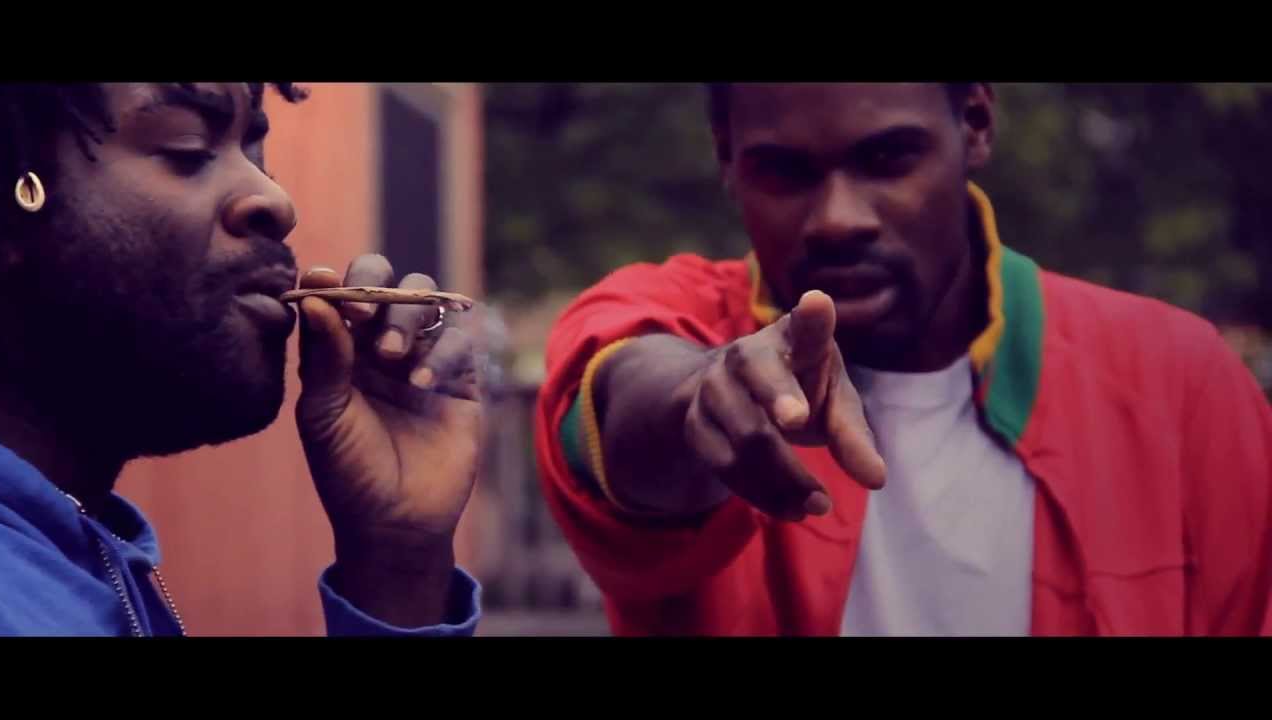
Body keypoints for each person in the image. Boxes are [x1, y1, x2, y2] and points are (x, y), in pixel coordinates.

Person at [535, 83, 1272, 636]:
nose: (837, 219)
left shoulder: (1180, 383)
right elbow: (616, 389)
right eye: (784, 171)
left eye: (888, 160)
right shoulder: (683, 318)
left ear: (975, 123)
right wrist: (698, 399)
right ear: (726, 157)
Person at [0, 83, 482, 636]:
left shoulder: (79, 551)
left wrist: (396, 564)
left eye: (254, 152)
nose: (276, 200)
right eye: (188, 148)